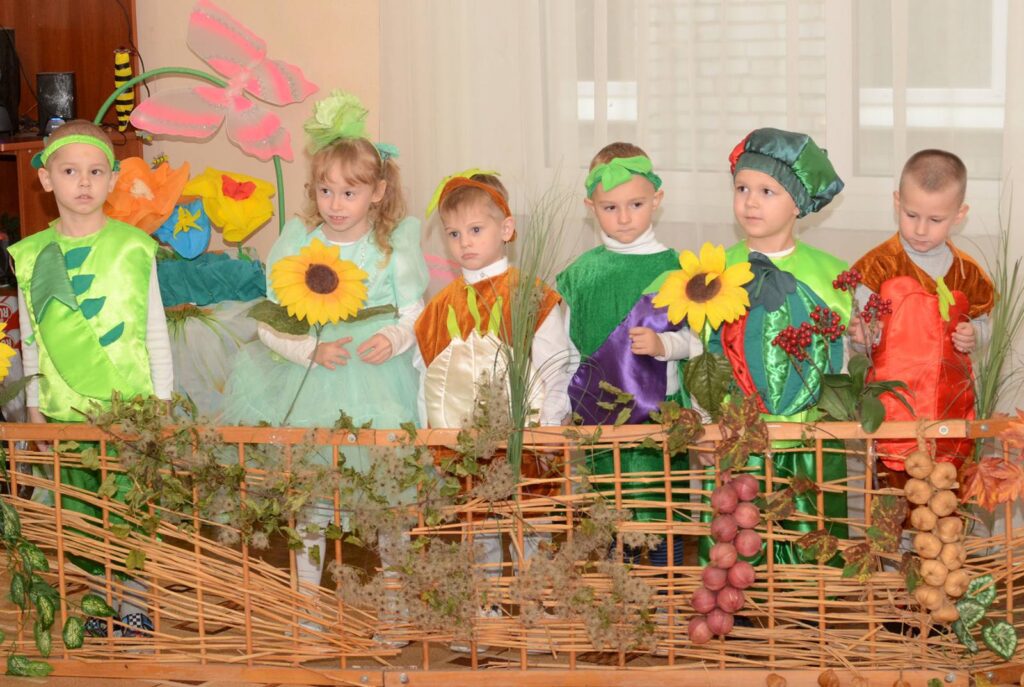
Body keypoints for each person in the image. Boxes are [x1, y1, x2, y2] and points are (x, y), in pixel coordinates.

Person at [221, 92, 428, 635]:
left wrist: (394, 336)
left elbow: (414, 312)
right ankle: (307, 605)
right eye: (326, 190)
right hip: (314, 379)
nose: (336, 204)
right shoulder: (301, 242)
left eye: (350, 192)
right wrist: (308, 350)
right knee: (312, 497)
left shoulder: (391, 247)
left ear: (377, 192)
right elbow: (269, 322)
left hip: (378, 385)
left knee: (389, 498)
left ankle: (395, 605)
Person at [11, 119, 174, 636]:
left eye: (96, 172)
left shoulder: (134, 248)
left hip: (129, 412)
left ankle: (135, 603)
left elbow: (154, 329)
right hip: (65, 413)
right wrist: (34, 403)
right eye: (70, 171)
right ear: (46, 179)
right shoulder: (31, 256)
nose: (83, 182)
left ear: (112, 181)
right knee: (81, 515)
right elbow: (32, 338)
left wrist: (162, 400)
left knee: (131, 509)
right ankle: (102, 601)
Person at [415, 171, 571, 651]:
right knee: (478, 527)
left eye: (475, 230)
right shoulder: (438, 308)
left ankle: (536, 611)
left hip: (527, 440)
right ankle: (483, 613)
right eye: (453, 233)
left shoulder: (531, 294)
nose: (464, 242)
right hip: (467, 447)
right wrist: (430, 438)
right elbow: (428, 380)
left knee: (531, 524)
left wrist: (550, 428)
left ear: (506, 229)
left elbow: (556, 364)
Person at [706, 127, 850, 565]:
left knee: (811, 545)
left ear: (798, 203)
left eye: (767, 191)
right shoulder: (715, 269)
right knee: (737, 551)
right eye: (742, 188)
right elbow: (702, 356)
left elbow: (843, 359)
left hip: (808, 444)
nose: (750, 202)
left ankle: (809, 603)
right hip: (739, 440)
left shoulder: (831, 275)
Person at [557, 143, 701, 568]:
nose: (623, 218)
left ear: (657, 199)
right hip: (599, 419)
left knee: (661, 515)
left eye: (635, 204)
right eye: (610, 207)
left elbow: (698, 342)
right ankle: (620, 600)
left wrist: (665, 346)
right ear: (591, 207)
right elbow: (568, 349)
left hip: (660, 417)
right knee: (611, 517)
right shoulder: (582, 274)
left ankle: (666, 596)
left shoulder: (679, 269)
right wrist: (561, 406)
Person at [851, 149, 994, 471]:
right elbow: (859, 340)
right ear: (897, 202)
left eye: (935, 220)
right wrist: (864, 336)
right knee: (892, 491)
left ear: (959, 214)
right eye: (911, 215)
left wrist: (975, 335)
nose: (920, 230)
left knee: (949, 491)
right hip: (893, 410)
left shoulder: (968, 273)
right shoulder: (877, 267)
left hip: (951, 408)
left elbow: (984, 323)